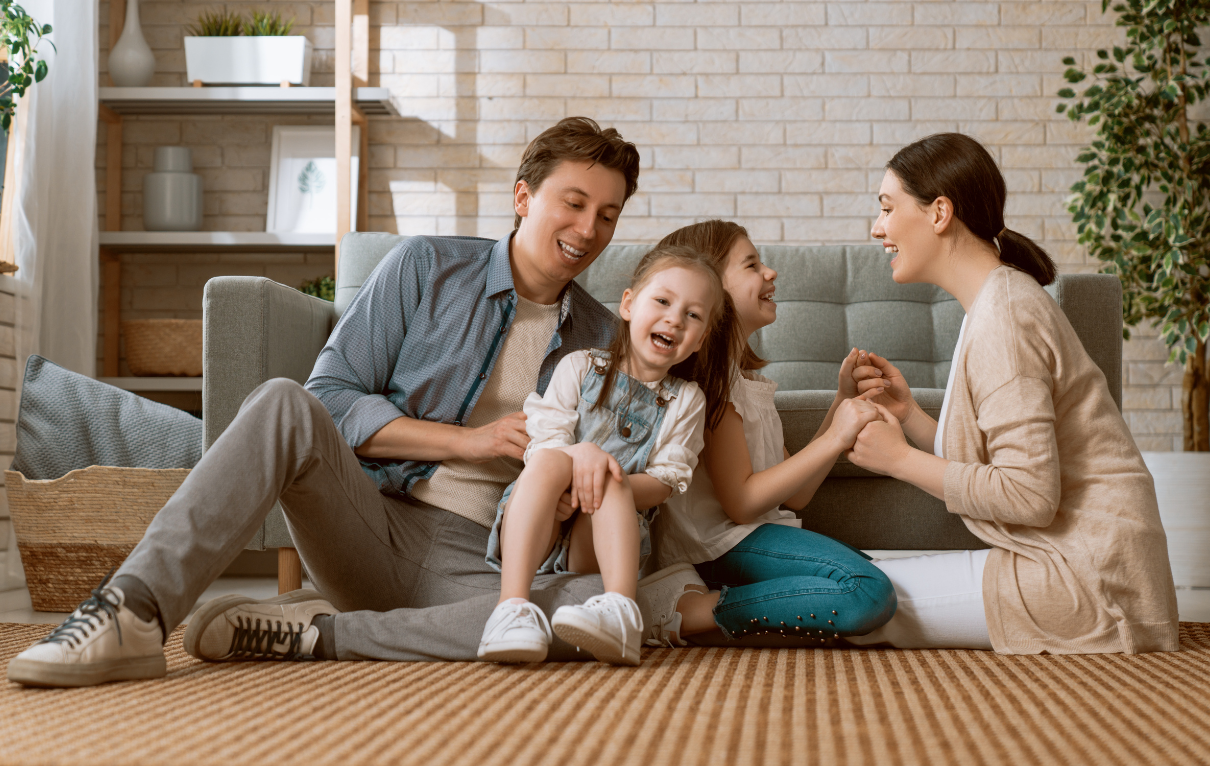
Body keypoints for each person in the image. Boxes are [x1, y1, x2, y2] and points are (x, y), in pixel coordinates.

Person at [6, 117, 692, 689]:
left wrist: (581, 487)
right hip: (373, 523)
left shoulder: (611, 336)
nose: (589, 228)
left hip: (486, 569)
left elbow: (621, 478)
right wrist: (462, 442)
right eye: (573, 202)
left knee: (603, 609)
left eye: (607, 214)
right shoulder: (424, 267)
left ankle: (314, 633)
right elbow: (328, 399)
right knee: (283, 403)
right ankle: (131, 612)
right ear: (523, 196)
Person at [839, 132, 1178, 654]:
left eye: (887, 208)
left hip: (1089, 579)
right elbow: (1007, 463)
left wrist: (900, 460)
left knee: (846, 597)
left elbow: (1029, 495)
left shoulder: (1005, 316)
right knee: (856, 577)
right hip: (1079, 562)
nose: (877, 227)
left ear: (939, 213)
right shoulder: (998, 300)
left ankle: (690, 613)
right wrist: (910, 416)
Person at [634, 220, 898, 648]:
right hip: (718, 548)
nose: (770, 273)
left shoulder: (743, 383)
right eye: (752, 264)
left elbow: (795, 496)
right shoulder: (711, 385)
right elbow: (742, 503)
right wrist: (836, 437)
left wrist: (840, 403)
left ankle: (710, 613)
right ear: (710, 288)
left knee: (873, 582)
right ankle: (686, 613)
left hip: (746, 539)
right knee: (865, 590)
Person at [478, 242, 736, 666]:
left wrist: (598, 480)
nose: (675, 318)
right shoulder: (579, 367)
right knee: (551, 460)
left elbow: (665, 483)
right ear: (629, 305)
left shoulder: (685, 399)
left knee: (613, 477)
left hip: (599, 542)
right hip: (538, 524)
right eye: (663, 301)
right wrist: (582, 459)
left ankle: (619, 613)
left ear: (700, 339)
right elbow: (544, 443)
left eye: (693, 315)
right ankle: (512, 610)